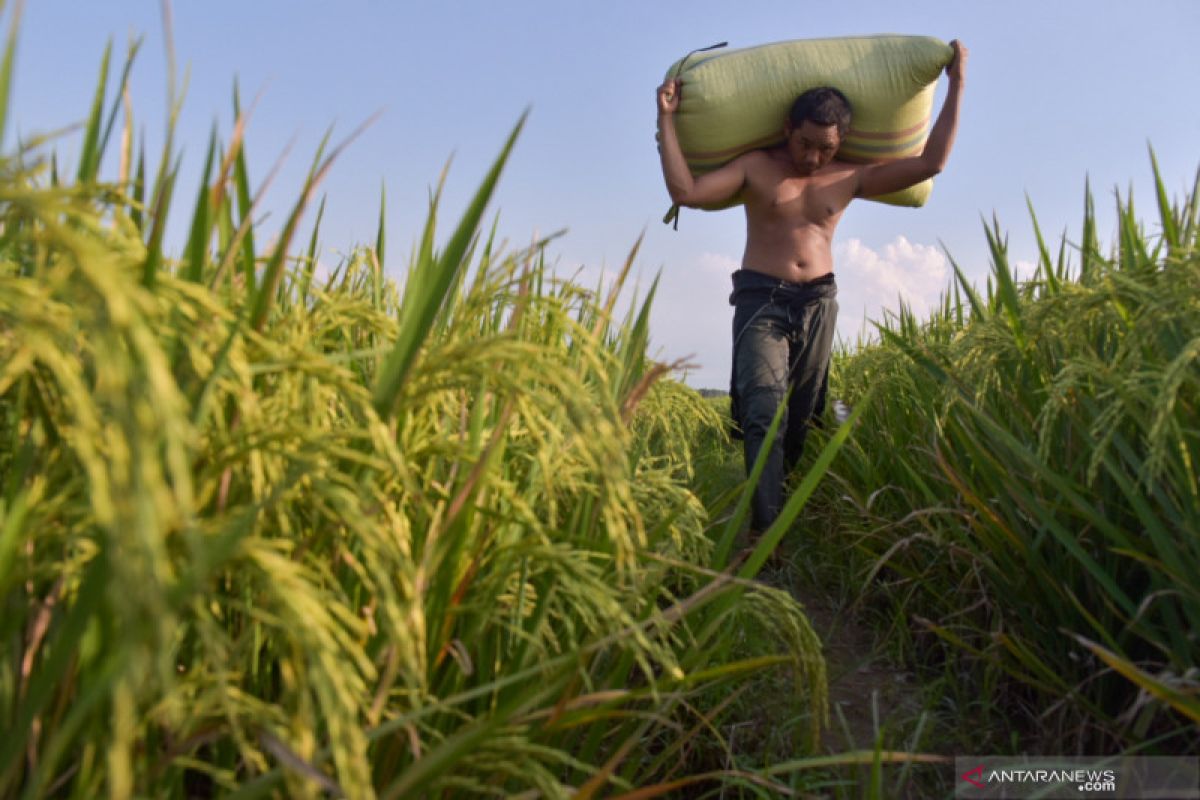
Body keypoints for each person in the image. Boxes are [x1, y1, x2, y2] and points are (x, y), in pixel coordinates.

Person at [656, 40, 968, 533]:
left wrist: (958, 85)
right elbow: (686, 192)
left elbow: (930, 165)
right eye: (805, 144)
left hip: (819, 301)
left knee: (802, 417)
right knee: (763, 411)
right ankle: (765, 534)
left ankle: (789, 505)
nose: (813, 157)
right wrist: (667, 119)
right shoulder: (757, 167)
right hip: (761, 298)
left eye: (826, 147)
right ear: (787, 130)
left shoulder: (849, 176)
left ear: (841, 141)